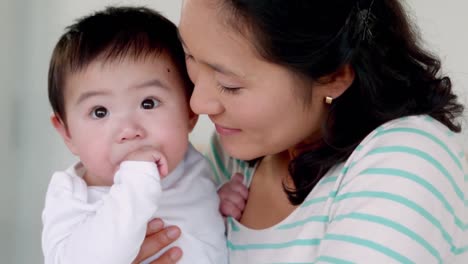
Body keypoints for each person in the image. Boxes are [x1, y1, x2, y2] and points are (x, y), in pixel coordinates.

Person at [138, 0, 468, 263]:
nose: (198, 104)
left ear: (334, 76)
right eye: (191, 56)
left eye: (230, 85)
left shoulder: (407, 159)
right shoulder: (235, 156)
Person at [41, 6, 227, 264]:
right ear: (67, 133)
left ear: (190, 112)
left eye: (148, 103)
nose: (128, 130)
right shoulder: (71, 197)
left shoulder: (194, 165)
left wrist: (220, 202)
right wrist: (136, 183)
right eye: (99, 111)